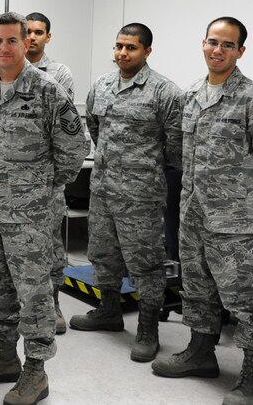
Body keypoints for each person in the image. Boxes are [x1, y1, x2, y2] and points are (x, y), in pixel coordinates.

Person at [151, 17, 253, 405]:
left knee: (248, 302)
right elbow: (184, 155)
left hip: (237, 223)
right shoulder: (193, 93)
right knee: (197, 291)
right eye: (213, 42)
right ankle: (200, 352)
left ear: (240, 51)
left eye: (227, 45)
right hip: (194, 215)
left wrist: (245, 203)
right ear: (203, 44)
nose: (218, 50)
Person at [0, 11, 87, 405]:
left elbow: (75, 149)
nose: (3, 48)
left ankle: (36, 370)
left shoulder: (48, 90)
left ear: (25, 43)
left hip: (31, 216)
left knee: (33, 293)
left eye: (11, 41)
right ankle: (4, 356)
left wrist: (44, 188)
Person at [68, 23, 182, 363]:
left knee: (145, 264)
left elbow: (176, 147)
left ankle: (148, 330)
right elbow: (94, 129)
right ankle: (108, 312)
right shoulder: (102, 85)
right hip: (102, 191)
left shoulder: (165, 92)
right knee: (103, 255)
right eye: (118, 46)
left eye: (130, 47)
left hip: (141, 197)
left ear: (146, 51)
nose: (122, 53)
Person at [28, 12, 77, 335]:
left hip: (45, 176)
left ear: (48, 37)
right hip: (10, 176)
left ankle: (54, 304)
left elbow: (66, 128)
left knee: (50, 245)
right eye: (27, 32)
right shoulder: (3, 71)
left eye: (39, 32)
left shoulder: (58, 74)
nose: (32, 37)